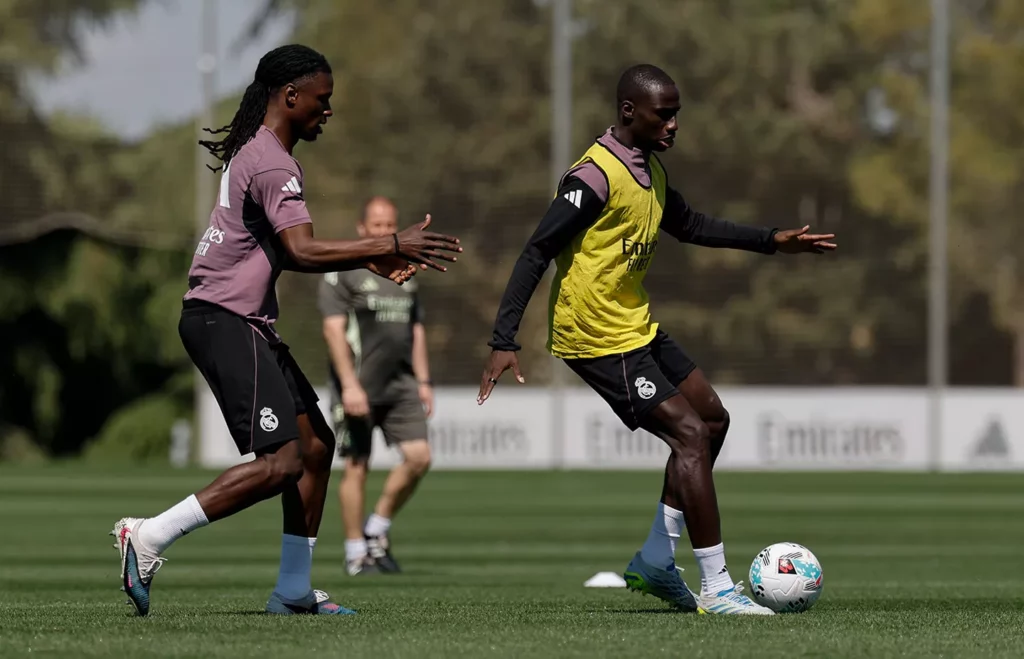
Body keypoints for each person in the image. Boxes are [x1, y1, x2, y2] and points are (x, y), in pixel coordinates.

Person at [109, 44, 461, 617]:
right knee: (281, 462)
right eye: (322, 100)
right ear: (290, 96)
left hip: (236, 320)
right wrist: (389, 243)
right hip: (223, 319)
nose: (328, 110)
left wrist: (366, 256)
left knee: (317, 448)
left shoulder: (260, 151)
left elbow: (289, 254)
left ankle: (294, 590)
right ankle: (147, 537)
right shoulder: (273, 162)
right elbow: (300, 247)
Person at [477, 64, 836, 616]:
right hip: (595, 336)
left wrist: (772, 241)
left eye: (676, 114)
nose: (672, 124)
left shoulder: (651, 172)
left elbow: (692, 226)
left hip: (635, 325)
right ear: (628, 112)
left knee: (713, 420)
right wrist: (505, 338)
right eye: (662, 114)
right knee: (690, 436)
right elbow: (536, 251)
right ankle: (717, 589)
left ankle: (654, 560)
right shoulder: (593, 177)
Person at [318, 196, 434, 576]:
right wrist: (349, 386)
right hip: (359, 385)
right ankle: (356, 554)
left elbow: (415, 329)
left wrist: (423, 380)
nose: (384, 231)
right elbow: (333, 330)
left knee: (419, 457)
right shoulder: (343, 272)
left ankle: (376, 528)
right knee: (357, 465)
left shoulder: (405, 272)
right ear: (362, 228)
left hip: (400, 384)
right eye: (377, 225)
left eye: (390, 225)